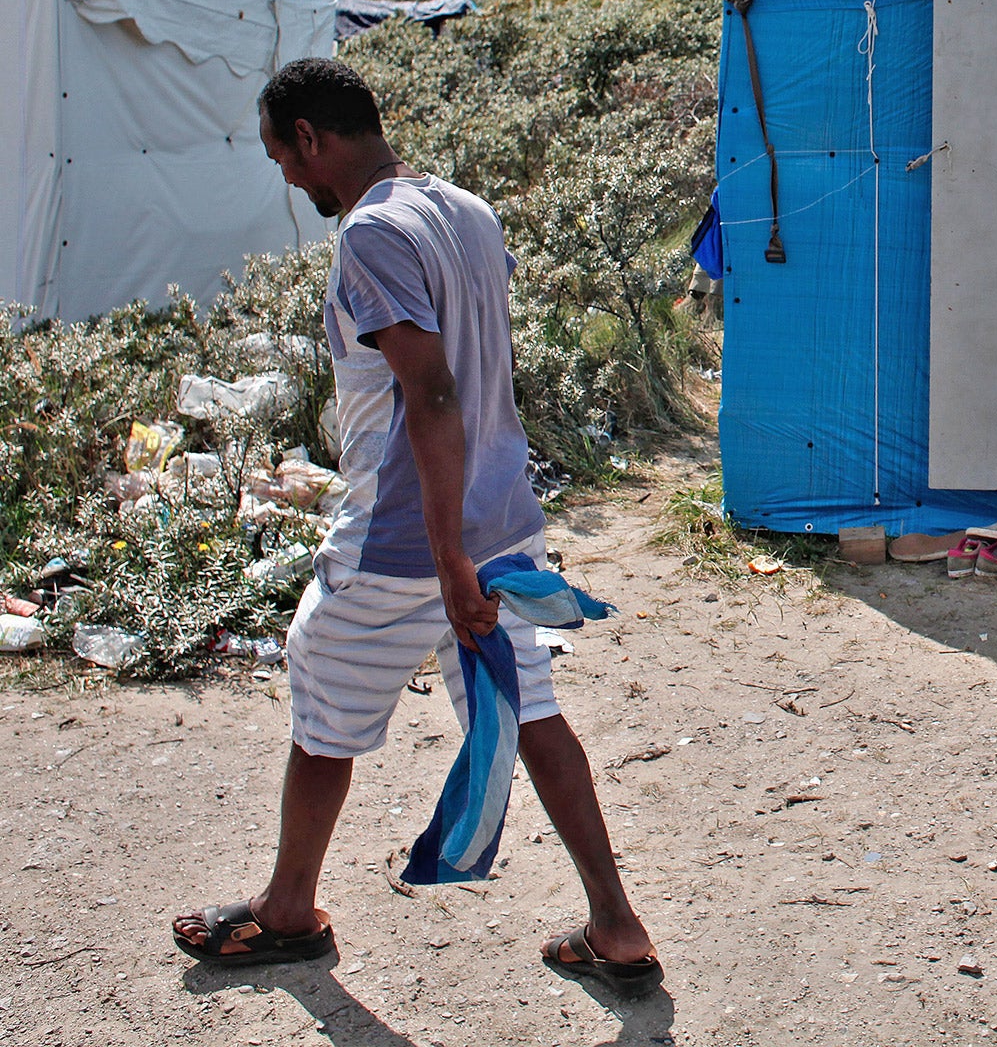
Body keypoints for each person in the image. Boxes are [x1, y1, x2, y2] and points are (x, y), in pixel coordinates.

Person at [172, 57, 660, 995]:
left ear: (312, 139)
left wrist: (446, 563)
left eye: (283, 156)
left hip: (409, 544)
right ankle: (618, 924)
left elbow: (431, 393)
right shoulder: (467, 210)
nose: (285, 178)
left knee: (320, 709)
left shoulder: (371, 235)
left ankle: (287, 913)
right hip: (503, 526)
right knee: (533, 717)